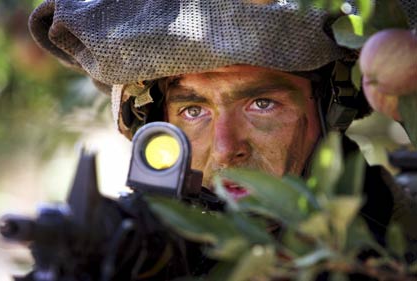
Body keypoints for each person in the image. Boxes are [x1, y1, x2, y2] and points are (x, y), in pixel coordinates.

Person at [28, 0, 416, 276]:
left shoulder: (399, 245)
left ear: (333, 109)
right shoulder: (139, 254)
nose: (228, 149)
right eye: (193, 112)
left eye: (262, 104)